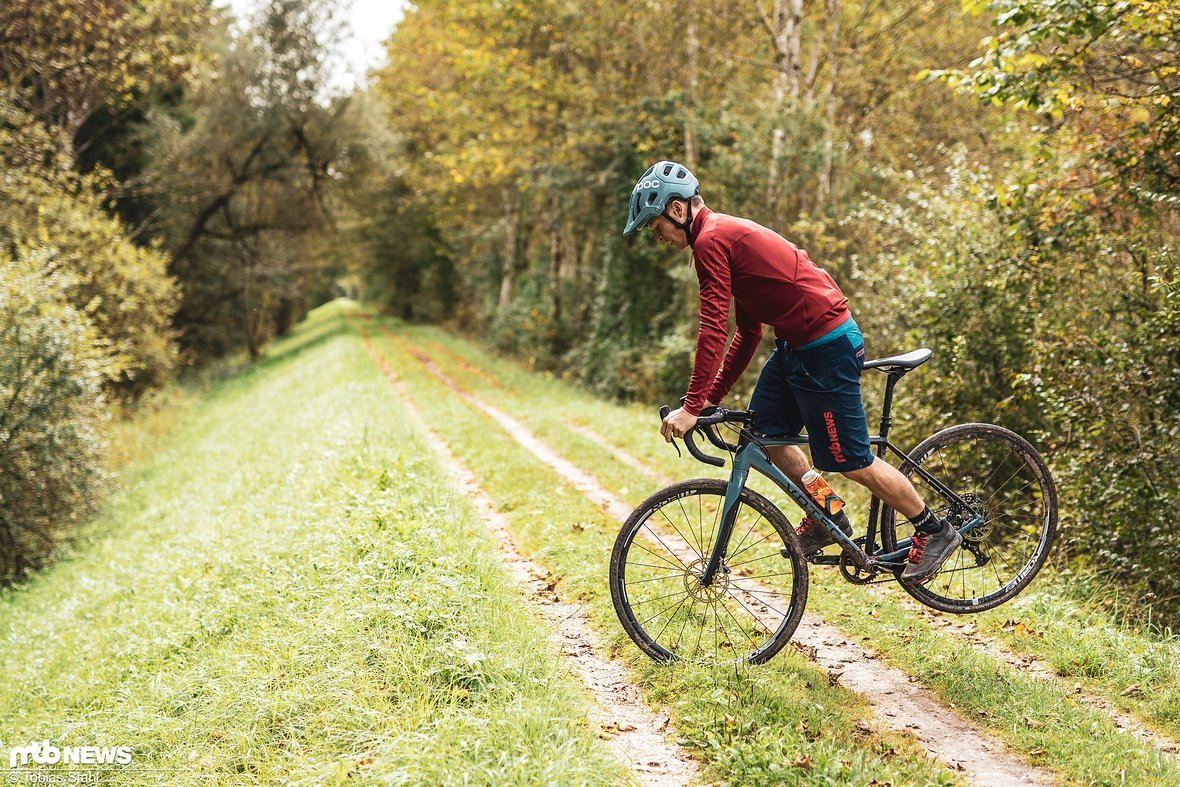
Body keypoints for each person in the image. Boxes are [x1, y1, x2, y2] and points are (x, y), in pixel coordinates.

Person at [622, 160, 962, 582]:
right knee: (767, 434)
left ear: (676, 210)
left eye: (655, 226)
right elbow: (746, 332)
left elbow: (712, 328)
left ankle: (935, 528)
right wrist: (710, 398)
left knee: (851, 461)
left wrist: (691, 406)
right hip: (795, 347)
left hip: (826, 347)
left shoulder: (711, 239)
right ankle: (828, 512)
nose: (658, 236)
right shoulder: (719, 237)